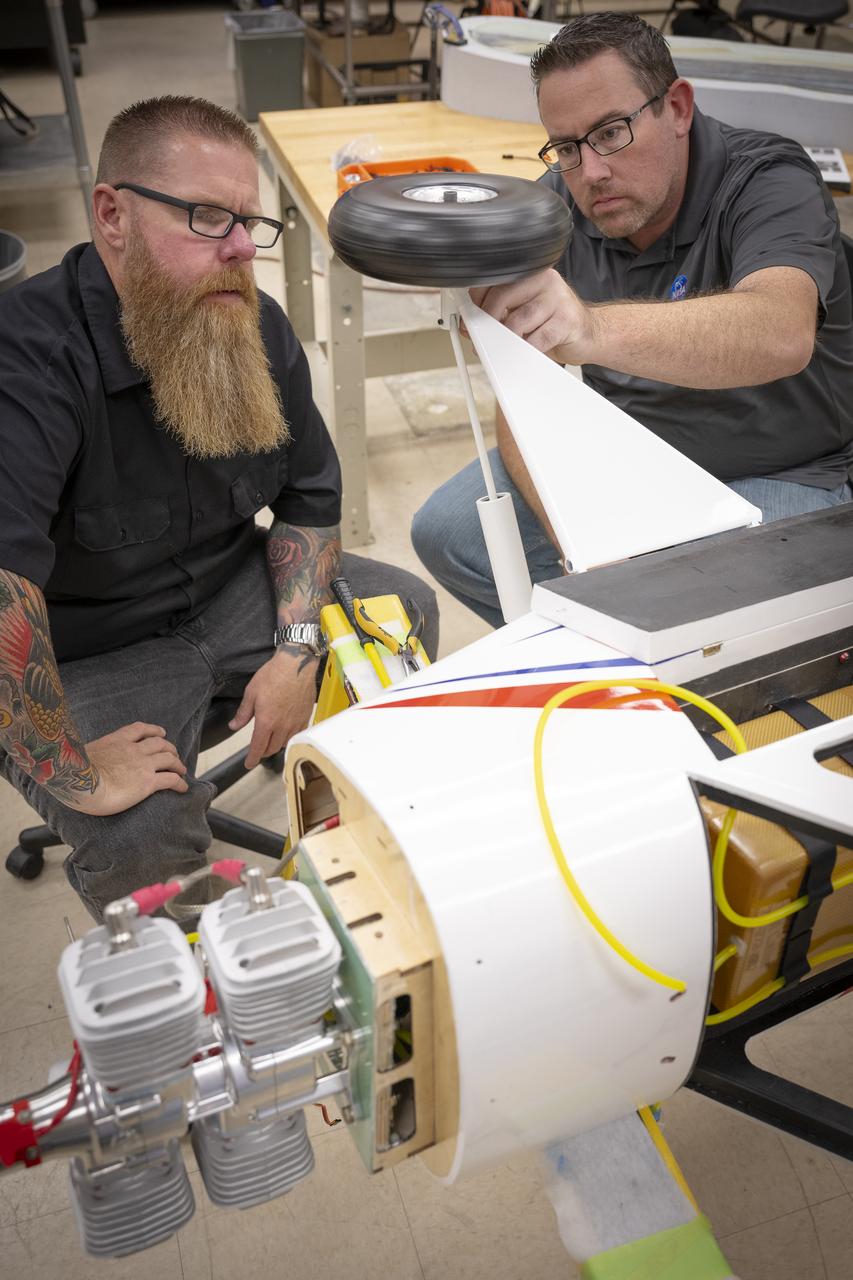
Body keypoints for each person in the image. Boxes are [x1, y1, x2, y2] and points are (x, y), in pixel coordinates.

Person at [0, 95, 437, 922]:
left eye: (248, 221)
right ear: (112, 215)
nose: (242, 248)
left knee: (399, 613)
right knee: (139, 834)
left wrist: (298, 650)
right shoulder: (28, 362)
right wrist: (76, 772)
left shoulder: (250, 328)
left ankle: (359, 875)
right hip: (90, 652)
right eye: (207, 217)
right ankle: (213, 997)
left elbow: (309, 498)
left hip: (232, 593)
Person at [412, 12, 853, 628]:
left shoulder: (768, 181)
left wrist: (588, 328)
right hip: (635, 451)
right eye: (566, 146)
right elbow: (520, 392)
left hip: (783, 468)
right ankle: (610, 674)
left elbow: (781, 332)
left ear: (677, 108)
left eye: (611, 132)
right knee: (451, 534)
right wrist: (573, 543)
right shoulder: (557, 203)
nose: (590, 172)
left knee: (708, 613)